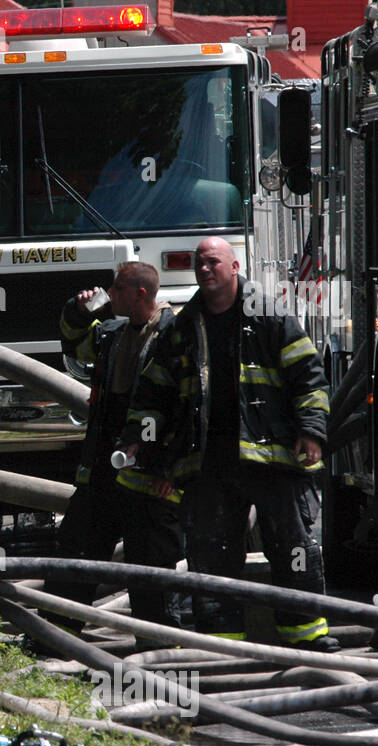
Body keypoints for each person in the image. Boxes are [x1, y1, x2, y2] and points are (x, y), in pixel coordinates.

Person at [117, 237, 334, 650]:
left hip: (275, 459)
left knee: (293, 549)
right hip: (208, 465)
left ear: (234, 267)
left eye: (213, 262)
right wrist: (137, 441)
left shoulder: (270, 315)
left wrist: (311, 431)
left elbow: (309, 376)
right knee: (213, 557)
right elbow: (154, 393)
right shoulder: (182, 327)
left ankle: (307, 638)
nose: (204, 269)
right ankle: (222, 643)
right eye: (199, 263)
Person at [51, 261, 183, 640]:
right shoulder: (111, 333)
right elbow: (73, 342)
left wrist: (166, 471)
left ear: (141, 293)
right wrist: (76, 310)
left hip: (150, 475)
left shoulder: (175, 335)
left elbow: (186, 409)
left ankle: (158, 645)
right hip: (103, 471)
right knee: (76, 553)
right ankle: (56, 635)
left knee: (149, 563)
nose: (110, 294)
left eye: (119, 288)